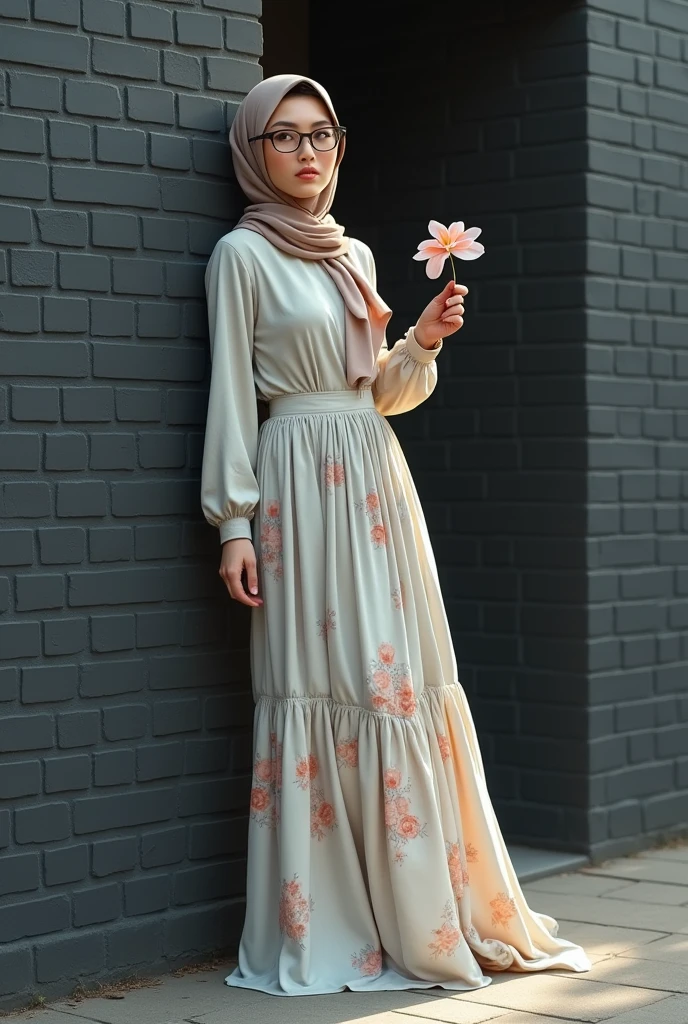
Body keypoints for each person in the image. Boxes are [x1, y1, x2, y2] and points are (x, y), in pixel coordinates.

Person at [200, 73, 591, 997]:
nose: (307, 152)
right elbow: (229, 395)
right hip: (296, 482)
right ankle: (332, 919)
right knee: (325, 689)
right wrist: (235, 525)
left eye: (322, 135)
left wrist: (419, 342)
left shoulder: (357, 255)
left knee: (401, 685)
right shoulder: (240, 256)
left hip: (374, 481)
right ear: (254, 153)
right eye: (285, 137)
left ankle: (421, 907)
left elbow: (375, 391)